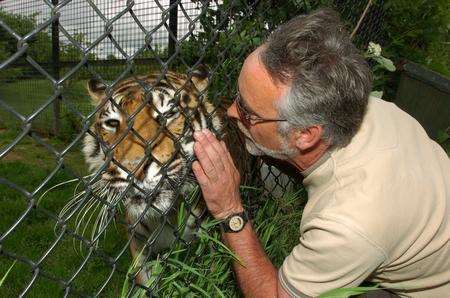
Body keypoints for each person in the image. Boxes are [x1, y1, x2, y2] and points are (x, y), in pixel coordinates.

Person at [191, 8, 450, 298]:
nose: (230, 112)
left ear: (304, 135)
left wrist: (230, 210)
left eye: (248, 113)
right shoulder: (377, 110)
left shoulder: (347, 223)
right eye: (238, 97)